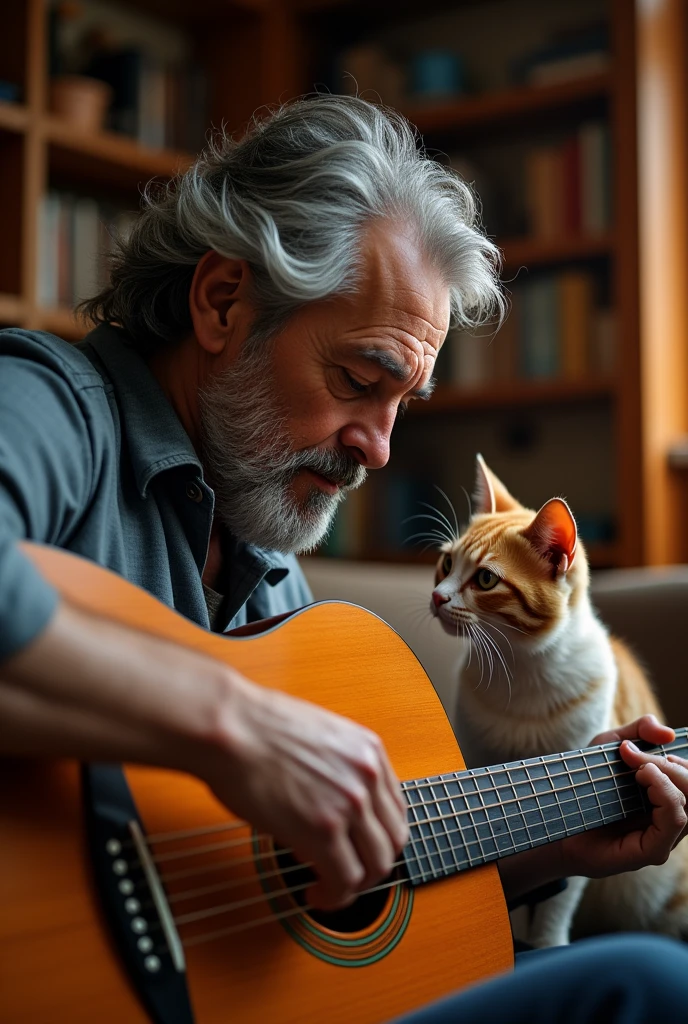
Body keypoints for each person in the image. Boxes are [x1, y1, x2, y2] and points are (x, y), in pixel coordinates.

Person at [2, 95, 688, 1021]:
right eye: (360, 380)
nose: (379, 449)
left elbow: (316, 881)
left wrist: (559, 841)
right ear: (221, 301)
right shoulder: (50, 405)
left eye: (402, 402)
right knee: (642, 987)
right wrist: (237, 724)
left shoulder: (265, 550)